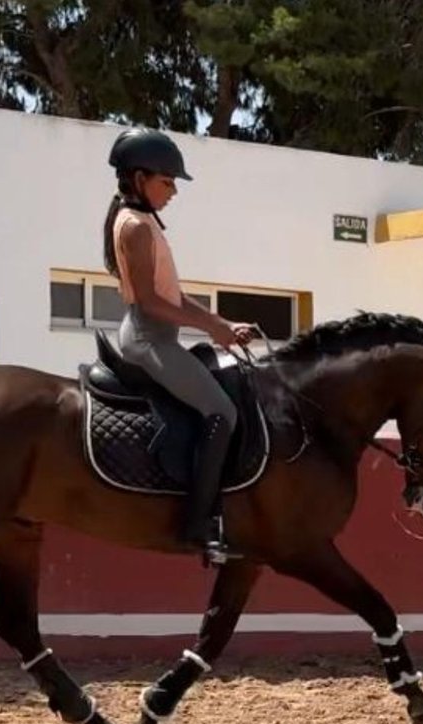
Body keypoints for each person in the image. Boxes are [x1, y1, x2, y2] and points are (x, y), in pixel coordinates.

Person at [102, 126, 256, 565]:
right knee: (221, 412)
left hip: (158, 331)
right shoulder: (134, 227)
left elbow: (173, 295)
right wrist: (212, 329)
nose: (172, 191)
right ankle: (197, 524)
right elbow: (151, 301)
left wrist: (219, 323)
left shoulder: (145, 221)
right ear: (138, 179)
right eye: (166, 182)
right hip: (148, 338)